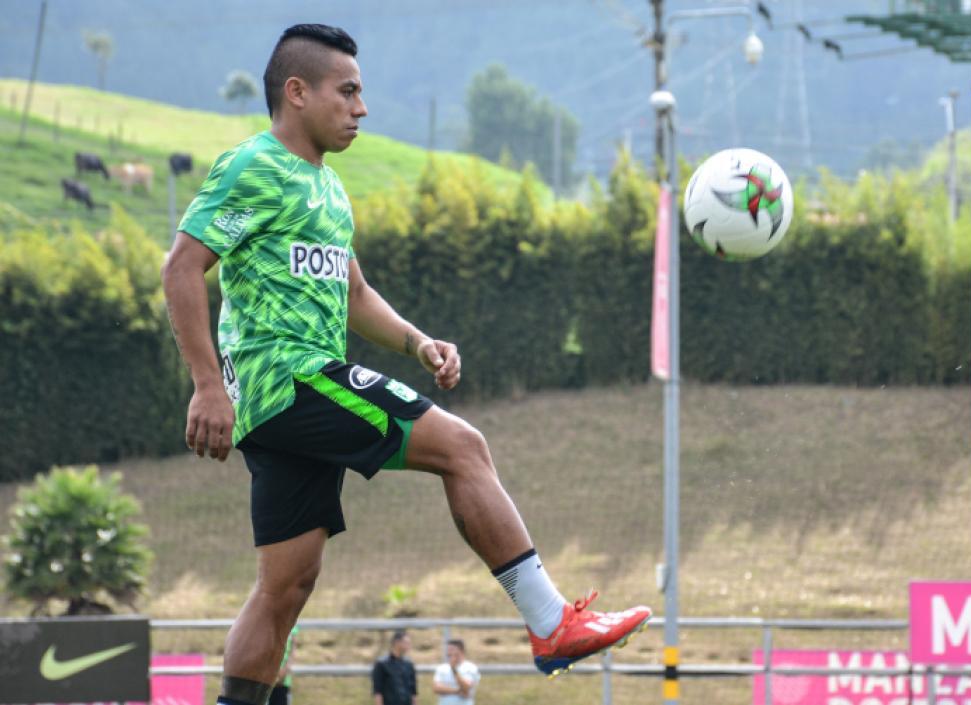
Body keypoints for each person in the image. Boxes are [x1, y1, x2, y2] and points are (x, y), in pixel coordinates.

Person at [161, 22, 651, 705]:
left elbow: (355, 293)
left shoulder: (327, 189)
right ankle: (551, 622)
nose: (362, 108)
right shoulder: (253, 166)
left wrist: (419, 342)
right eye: (349, 91)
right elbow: (182, 266)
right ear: (297, 92)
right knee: (463, 445)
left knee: (286, 587)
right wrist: (206, 386)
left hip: (281, 405)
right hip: (291, 379)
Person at [372, 630, 417, 705]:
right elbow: (377, 692)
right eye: (406, 643)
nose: (409, 646)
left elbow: (413, 692)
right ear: (397, 642)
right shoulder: (381, 664)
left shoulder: (409, 664)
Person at [432, 639, 480, 705]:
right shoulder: (441, 668)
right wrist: (457, 691)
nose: (449, 652)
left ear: (461, 651)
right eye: (448, 649)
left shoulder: (471, 668)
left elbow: (465, 688)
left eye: (452, 649)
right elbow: (437, 688)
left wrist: (454, 669)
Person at [268, 626, 297, 705]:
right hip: (266, 680)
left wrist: (286, 668)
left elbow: (293, 648)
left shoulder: (292, 624)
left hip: (283, 680)